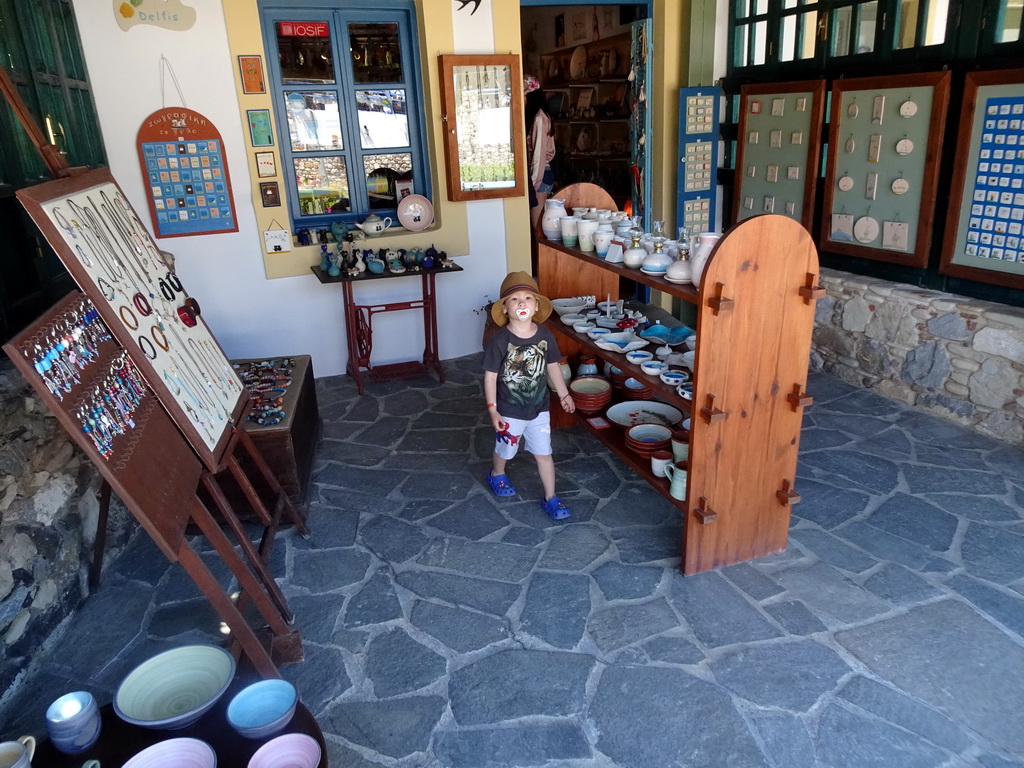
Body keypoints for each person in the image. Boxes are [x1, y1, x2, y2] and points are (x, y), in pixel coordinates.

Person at [483, 271, 575, 520]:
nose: (521, 302)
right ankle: (497, 474)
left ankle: (551, 497)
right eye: (514, 299)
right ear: (504, 308)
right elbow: (490, 376)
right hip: (509, 412)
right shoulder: (500, 340)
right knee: (505, 450)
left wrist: (564, 394)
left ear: (536, 306)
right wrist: (493, 409)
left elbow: (553, 366)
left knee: (544, 453)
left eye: (527, 298)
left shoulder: (545, 336)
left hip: (539, 409)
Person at [524, 75, 556, 231]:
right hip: (539, 173)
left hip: (539, 175)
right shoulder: (537, 117)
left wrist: (533, 184)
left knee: (537, 228)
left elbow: (539, 154)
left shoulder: (539, 119)